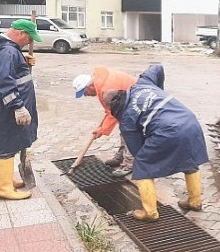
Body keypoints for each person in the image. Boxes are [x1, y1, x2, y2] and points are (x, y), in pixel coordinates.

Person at [103, 65, 209, 221]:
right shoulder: (143, 84)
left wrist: (152, 166)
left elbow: (137, 151)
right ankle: (195, 201)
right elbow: (157, 67)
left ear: (111, 107)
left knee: (142, 165)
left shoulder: (126, 120)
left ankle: (150, 212)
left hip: (168, 130)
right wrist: (158, 91)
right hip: (190, 122)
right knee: (189, 161)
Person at [0, 19, 42, 200]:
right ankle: (4, 188)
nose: (30, 42)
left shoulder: (3, 48)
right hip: (4, 108)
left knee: (0, 144)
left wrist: (22, 61)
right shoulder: (7, 51)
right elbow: (5, 81)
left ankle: (1, 180)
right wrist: (18, 107)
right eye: (30, 38)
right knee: (5, 146)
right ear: (21, 34)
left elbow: (3, 71)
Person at [73, 67, 136, 177]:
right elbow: (111, 110)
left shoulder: (106, 89)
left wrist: (102, 130)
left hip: (135, 101)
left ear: (89, 86)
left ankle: (129, 164)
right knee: (124, 129)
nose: (86, 95)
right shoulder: (99, 82)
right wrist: (101, 128)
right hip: (126, 101)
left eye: (85, 92)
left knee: (129, 132)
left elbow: (113, 113)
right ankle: (121, 156)